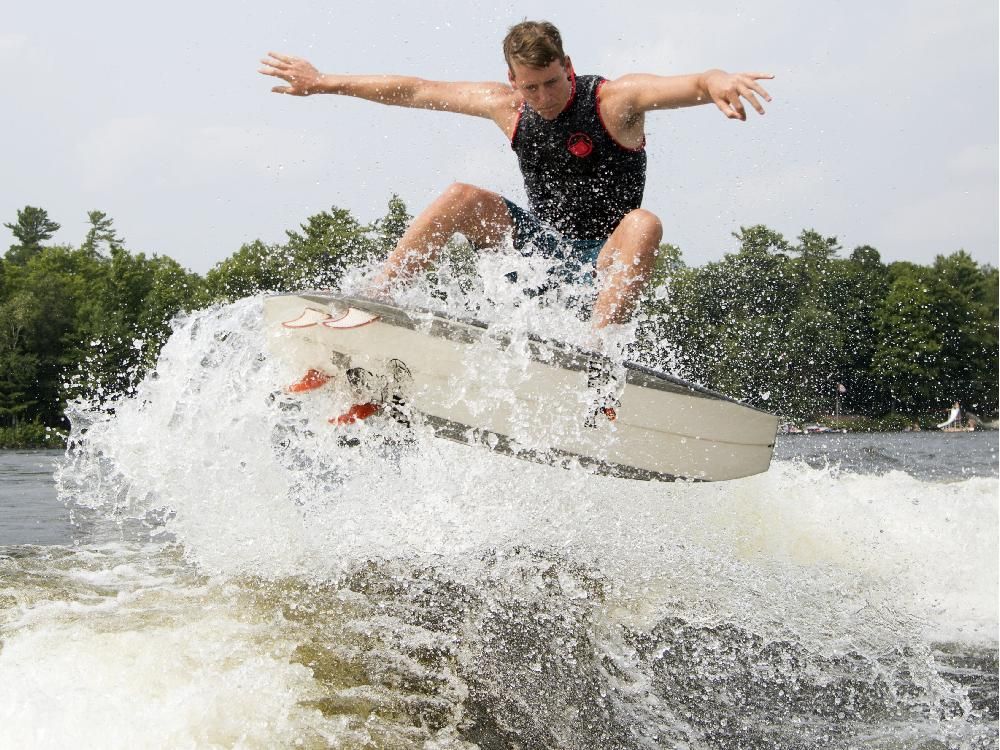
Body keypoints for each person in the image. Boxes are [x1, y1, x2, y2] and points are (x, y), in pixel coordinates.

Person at [260, 21, 772, 421]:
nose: (544, 98)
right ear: (513, 79)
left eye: (552, 83)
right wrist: (324, 82)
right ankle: (376, 302)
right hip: (538, 259)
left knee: (644, 222)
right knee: (461, 196)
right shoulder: (508, 106)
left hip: (603, 264)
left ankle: (597, 359)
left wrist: (718, 81)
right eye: (531, 87)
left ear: (568, 66)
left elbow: (693, 83)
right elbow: (415, 90)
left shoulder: (616, 100)